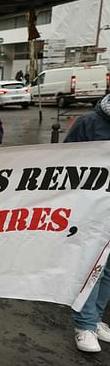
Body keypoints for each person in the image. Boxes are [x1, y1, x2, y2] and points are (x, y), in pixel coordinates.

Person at [64, 94, 110, 352]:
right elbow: (67, 162)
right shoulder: (89, 123)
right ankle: (84, 324)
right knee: (93, 266)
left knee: (109, 267)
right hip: (93, 207)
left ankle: (96, 318)